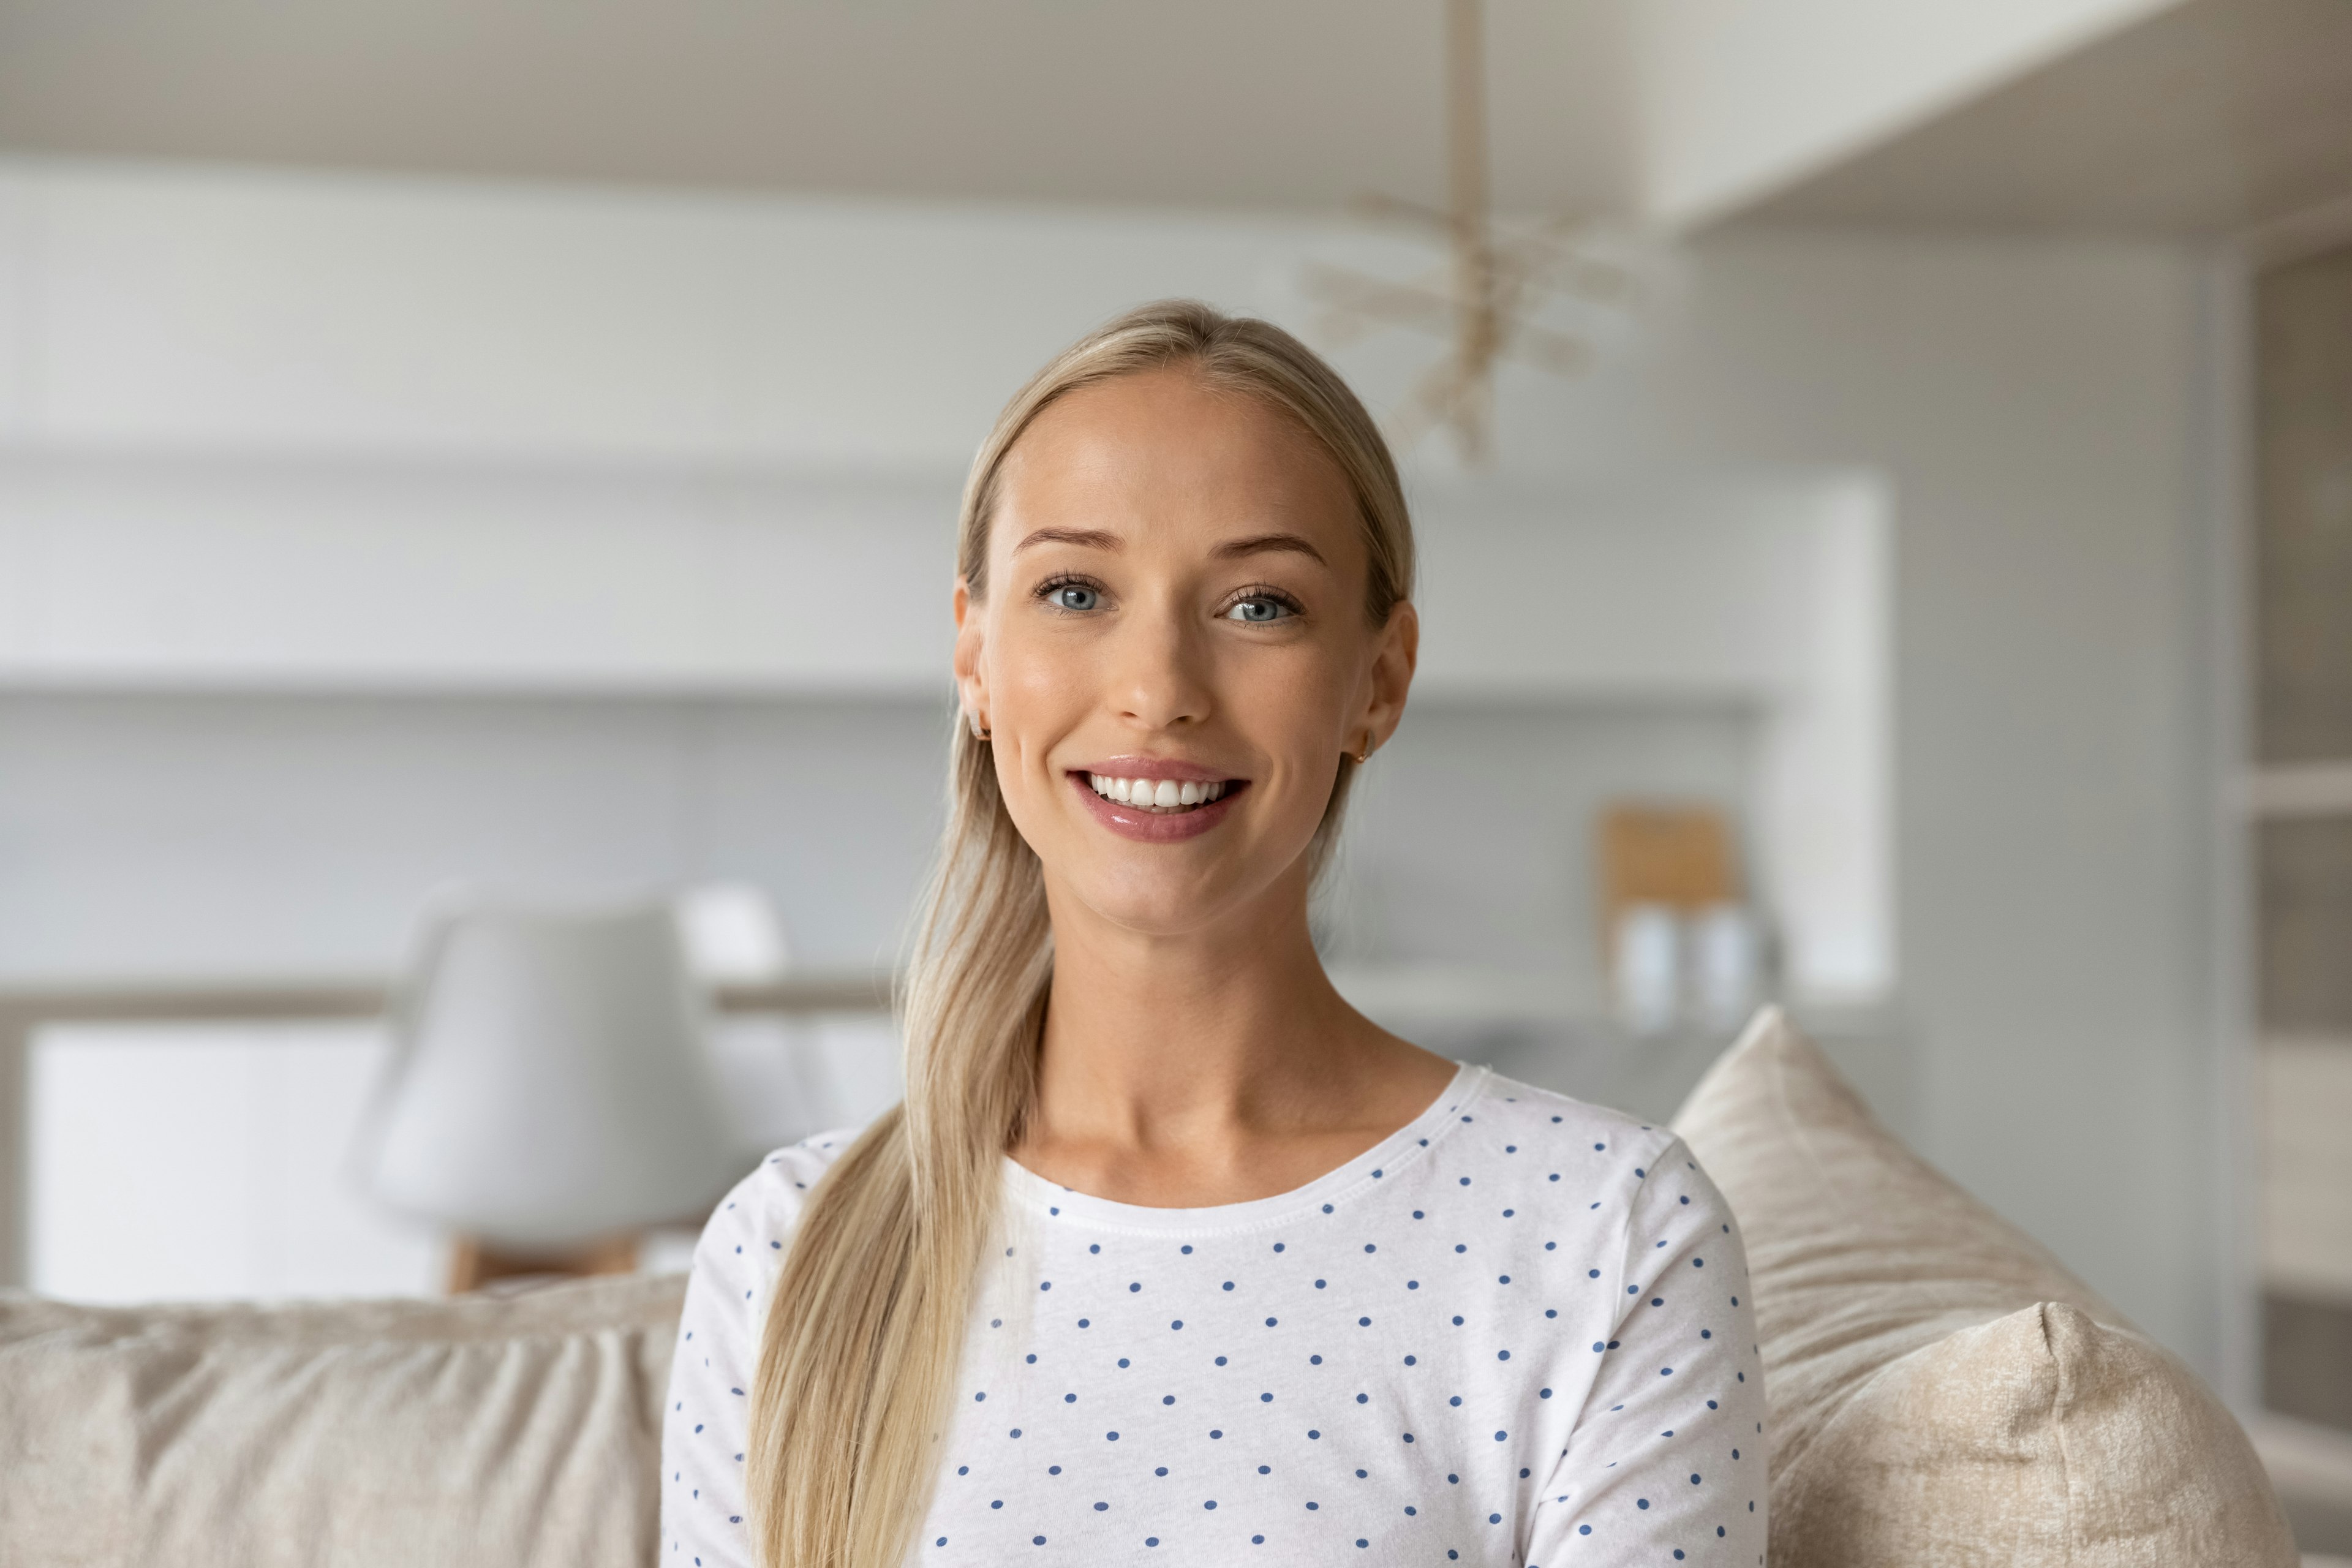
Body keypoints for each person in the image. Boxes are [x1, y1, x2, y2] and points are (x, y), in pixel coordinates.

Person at [662, 301, 1766, 1567]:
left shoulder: (1607, 1231)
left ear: (1379, 680)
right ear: (974, 657)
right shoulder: (785, 1250)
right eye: (1075, 590)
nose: (1159, 690)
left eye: (1258, 605)